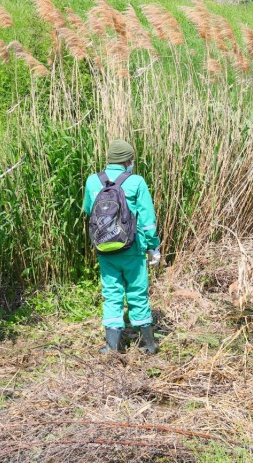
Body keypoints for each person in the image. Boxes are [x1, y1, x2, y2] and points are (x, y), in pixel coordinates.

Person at [83, 139, 162, 355]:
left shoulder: (92, 181)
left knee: (111, 293)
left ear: (109, 159)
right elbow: (147, 220)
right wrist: (153, 247)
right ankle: (148, 344)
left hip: (105, 249)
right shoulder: (136, 181)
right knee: (137, 292)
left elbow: (88, 210)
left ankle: (111, 347)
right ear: (128, 160)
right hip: (132, 249)